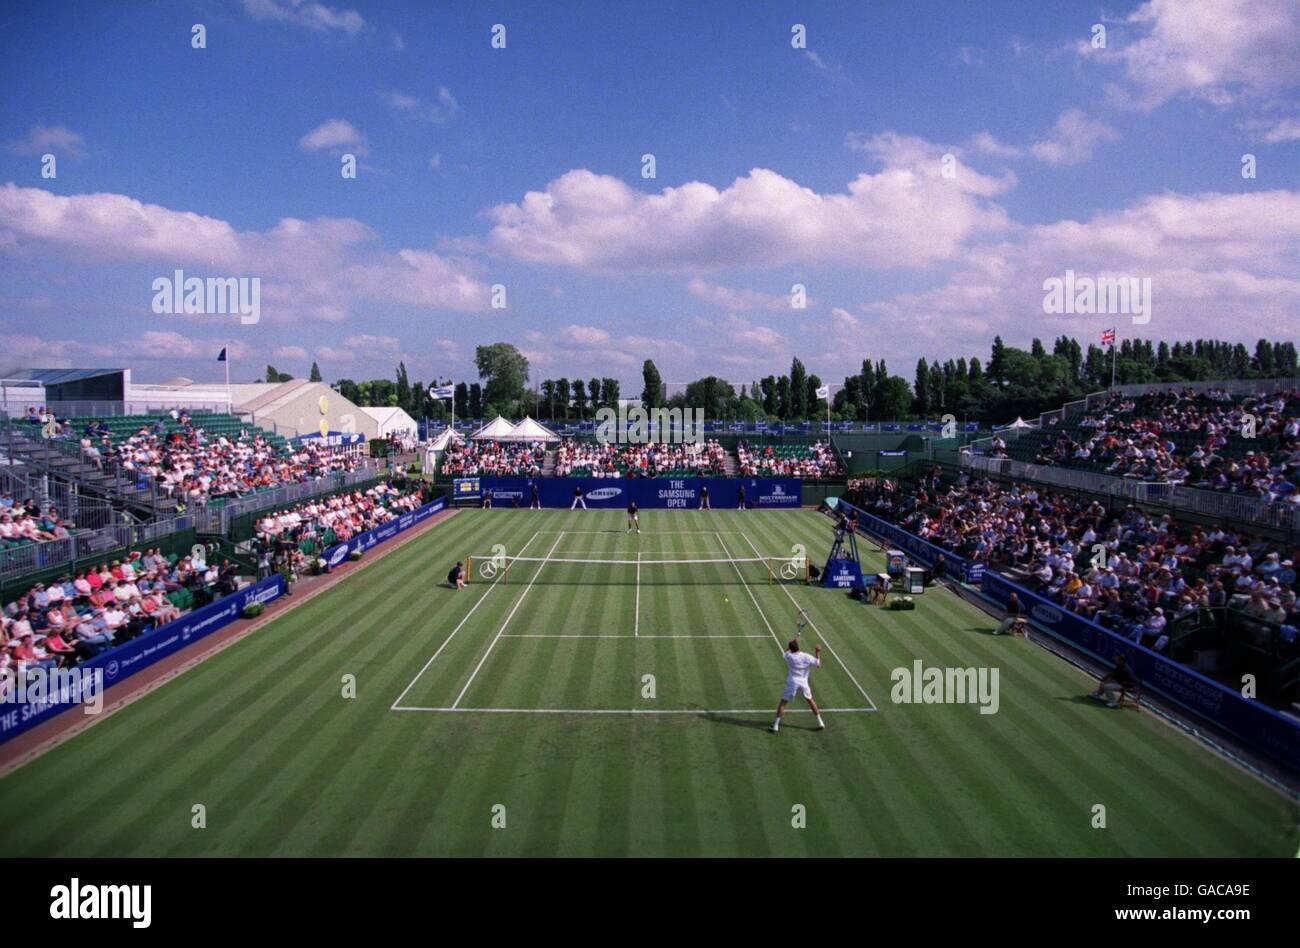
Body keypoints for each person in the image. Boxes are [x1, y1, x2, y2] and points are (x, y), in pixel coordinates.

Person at [771, 639, 825, 732]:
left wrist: (793, 641)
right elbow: (818, 664)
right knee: (810, 701)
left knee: (783, 702)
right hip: (804, 682)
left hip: (792, 682)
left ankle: (776, 725)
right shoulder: (807, 656)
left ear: (791, 649)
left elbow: (784, 653)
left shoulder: (789, 656)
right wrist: (817, 652)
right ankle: (820, 722)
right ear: (798, 647)